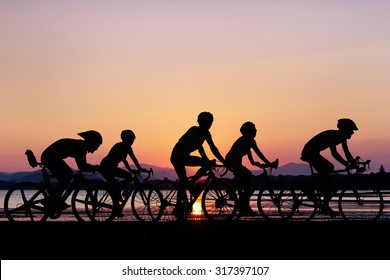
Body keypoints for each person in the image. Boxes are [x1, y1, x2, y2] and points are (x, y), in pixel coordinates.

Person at [170, 111, 226, 219]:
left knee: (201, 168)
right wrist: (208, 160)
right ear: (200, 122)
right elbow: (200, 146)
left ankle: (190, 184)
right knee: (183, 182)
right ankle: (178, 206)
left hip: (184, 156)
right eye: (206, 122)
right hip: (177, 157)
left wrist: (221, 161)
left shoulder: (206, 134)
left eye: (210, 123)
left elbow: (211, 148)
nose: (209, 125)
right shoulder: (194, 130)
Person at [300, 118, 358, 216]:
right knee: (329, 168)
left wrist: (354, 164)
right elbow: (334, 153)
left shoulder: (342, 138)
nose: (352, 132)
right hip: (309, 152)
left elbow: (346, 152)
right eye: (351, 130)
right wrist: (346, 164)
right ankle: (309, 188)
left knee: (328, 178)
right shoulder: (331, 135)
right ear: (345, 129)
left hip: (314, 152)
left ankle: (323, 201)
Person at [225, 121, 278, 216]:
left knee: (247, 184)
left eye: (255, 130)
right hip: (231, 161)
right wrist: (269, 163)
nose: (255, 131)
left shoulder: (251, 141)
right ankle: (232, 191)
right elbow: (258, 153)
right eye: (253, 130)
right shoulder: (243, 140)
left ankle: (244, 206)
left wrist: (254, 163)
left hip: (237, 162)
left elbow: (251, 152)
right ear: (247, 132)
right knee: (247, 175)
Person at [40, 130, 103, 208]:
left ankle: (54, 199)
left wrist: (94, 168)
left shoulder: (81, 146)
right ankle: (52, 199)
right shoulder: (81, 147)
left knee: (67, 176)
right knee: (67, 176)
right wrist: (96, 168)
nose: (96, 149)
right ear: (90, 142)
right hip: (50, 157)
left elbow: (82, 166)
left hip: (52, 156)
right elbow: (82, 166)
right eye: (96, 146)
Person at [100, 129, 148, 216]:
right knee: (115, 185)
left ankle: (121, 194)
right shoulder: (119, 146)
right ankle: (118, 204)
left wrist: (140, 168)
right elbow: (124, 160)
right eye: (131, 140)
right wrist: (131, 170)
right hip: (105, 167)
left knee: (127, 177)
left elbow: (134, 158)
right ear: (126, 139)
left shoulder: (128, 148)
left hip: (112, 167)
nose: (132, 142)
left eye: (133, 140)